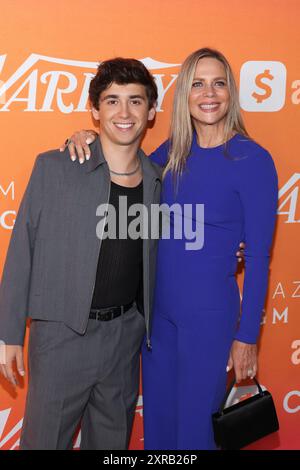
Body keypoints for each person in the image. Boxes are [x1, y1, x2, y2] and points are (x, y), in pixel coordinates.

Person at [62, 48, 278, 450]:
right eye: (197, 83)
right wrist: (88, 137)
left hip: (211, 319)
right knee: (159, 430)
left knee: (196, 434)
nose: (208, 93)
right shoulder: (172, 152)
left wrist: (247, 337)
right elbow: (122, 162)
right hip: (156, 318)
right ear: (185, 95)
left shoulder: (253, 159)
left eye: (218, 83)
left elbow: (261, 258)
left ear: (230, 92)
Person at [0, 58, 161, 449]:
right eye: (112, 101)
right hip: (61, 336)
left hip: (125, 338)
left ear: (151, 112)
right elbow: (23, 248)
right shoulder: (56, 167)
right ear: (94, 111)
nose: (124, 112)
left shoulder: (159, 178)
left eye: (136, 101)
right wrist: (8, 334)